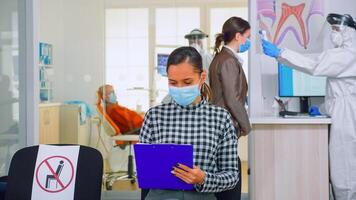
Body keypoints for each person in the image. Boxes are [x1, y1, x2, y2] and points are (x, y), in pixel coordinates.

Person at [262, 13, 356, 200]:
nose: (333, 34)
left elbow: (315, 65)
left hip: (347, 117)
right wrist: (321, 109)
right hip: (343, 112)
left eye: (337, 30)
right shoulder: (345, 54)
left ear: (350, 32)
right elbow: (338, 94)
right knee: (342, 168)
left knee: (345, 170)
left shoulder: (348, 53)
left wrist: (281, 53)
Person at [140, 46, 239, 200]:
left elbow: (232, 175)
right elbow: (145, 170)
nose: (179, 88)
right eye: (173, 82)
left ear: (202, 77)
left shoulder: (221, 118)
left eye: (187, 82)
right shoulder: (154, 116)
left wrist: (203, 179)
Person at [209, 17, 252, 200]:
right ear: (237, 36)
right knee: (229, 175)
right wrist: (246, 125)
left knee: (225, 172)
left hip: (221, 125)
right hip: (224, 126)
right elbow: (232, 99)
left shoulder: (224, 58)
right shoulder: (227, 60)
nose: (248, 41)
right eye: (247, 37)